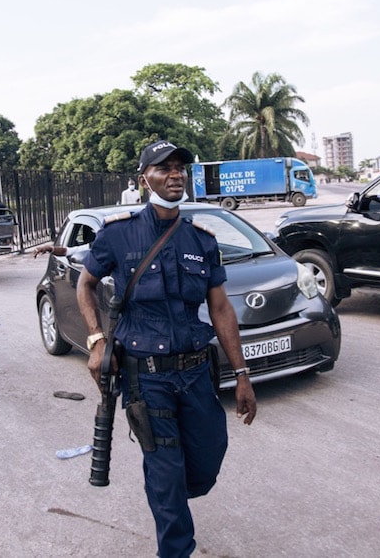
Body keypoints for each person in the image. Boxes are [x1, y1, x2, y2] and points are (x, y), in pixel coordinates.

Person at [76, 139, 257, 558]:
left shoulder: (201, 239)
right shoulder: (118, 236)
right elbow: (85, 283)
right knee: (166, 471)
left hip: (195, 372)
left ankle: (172, 497)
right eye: (164, 168)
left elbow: (220, 309)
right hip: (146, 377)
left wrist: (242, 374)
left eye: (181, 168)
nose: (176, 174)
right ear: (144, 180)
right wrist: (97, 340)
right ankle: (175, 548)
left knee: (209, 455)